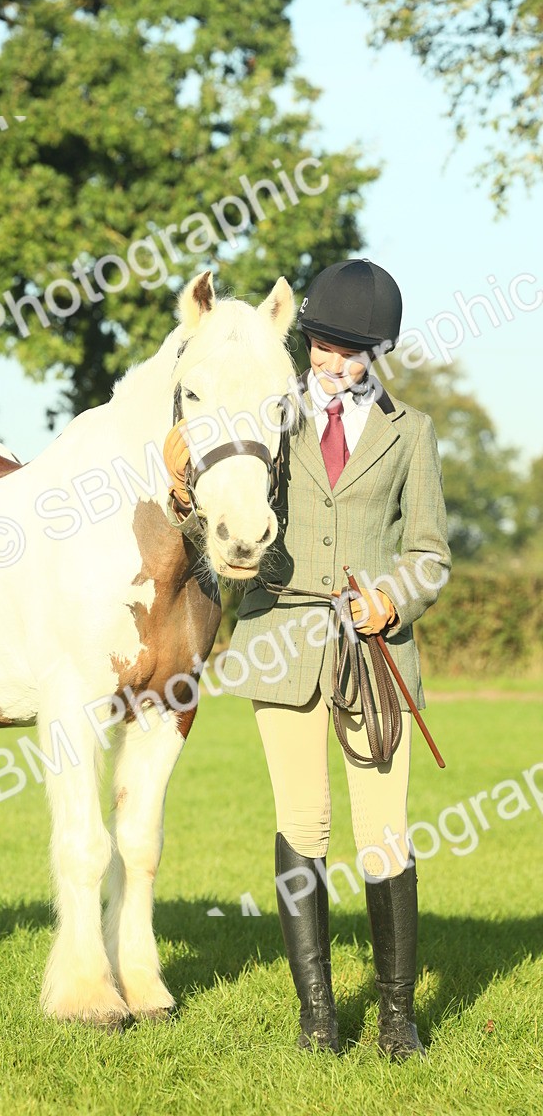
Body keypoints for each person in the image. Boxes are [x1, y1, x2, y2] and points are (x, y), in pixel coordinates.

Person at [165, 259, 450, 1059]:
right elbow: (222, 515)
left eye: (350, 353)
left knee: (383, 831)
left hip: (373, 653)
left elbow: (430, 553)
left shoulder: (410, 433)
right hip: (281, 640)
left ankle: (397, 1017)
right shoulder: (271, 414)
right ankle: (318, 1015)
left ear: (376, 355)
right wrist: (181, 489)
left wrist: (390, 598)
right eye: (323, 347)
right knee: (303, 823)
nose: (332, 363)